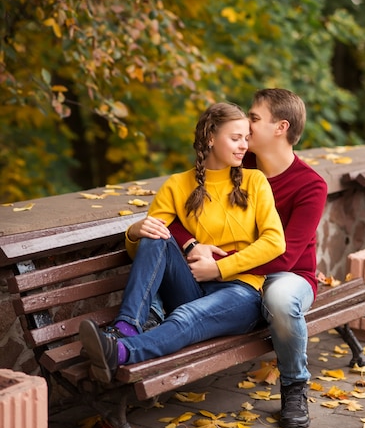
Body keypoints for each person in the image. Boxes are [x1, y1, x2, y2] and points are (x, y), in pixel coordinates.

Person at [79, 102, 286, 384]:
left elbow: (275, 242)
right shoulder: (177, 185)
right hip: (192, 287)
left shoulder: (255, 181)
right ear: (210, 138)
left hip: (241, 293)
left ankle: (121, 352)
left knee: (186, 316)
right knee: (156, 235)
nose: (243, 146)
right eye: (235, 138)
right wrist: (135, 232)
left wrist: (220, 268)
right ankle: (125, 328)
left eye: (246, 138)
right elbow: (146, 252)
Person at [171, 89, 328, 428]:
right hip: (239, 275)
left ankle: (294, 386)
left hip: (290, 274)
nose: (246, 126)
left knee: (281, 299)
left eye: (254, 119)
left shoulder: (310, 186)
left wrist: (220, 266)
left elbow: (286, 255)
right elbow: (178, 207)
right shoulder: (239, 165)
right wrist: (192, 244)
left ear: (280, 127)